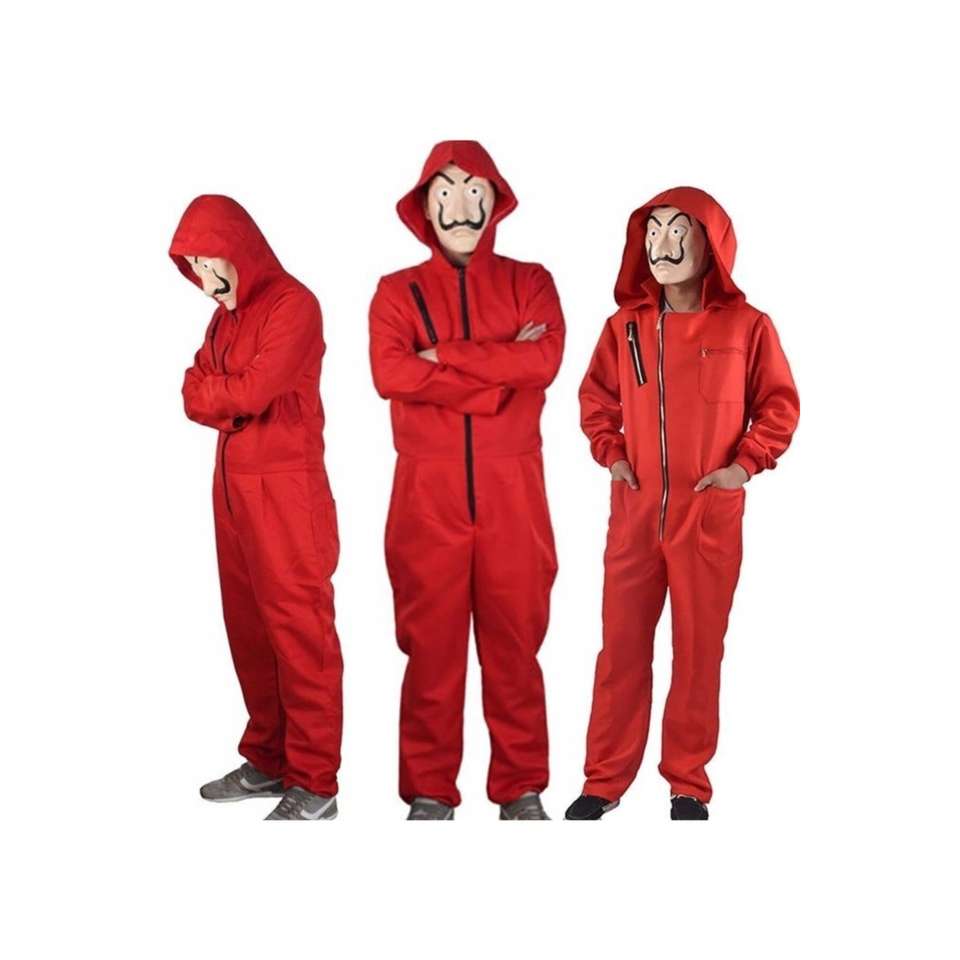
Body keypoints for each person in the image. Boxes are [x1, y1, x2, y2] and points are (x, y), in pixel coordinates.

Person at [566, 187, 799, 821]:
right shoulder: (624, 326)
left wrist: (741, 468)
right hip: (635, 513)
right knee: (620, 649)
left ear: (711, 244)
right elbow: (596, 399)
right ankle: (603, 781)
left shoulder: (748, 327)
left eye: (678, 231)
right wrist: (612, 453)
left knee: (698, 652)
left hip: (707, 516)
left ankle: (687, 784)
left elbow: (778, 405)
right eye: (653, 231)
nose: (661, 245)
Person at [369, 141, 565, 820]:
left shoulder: (531, 281)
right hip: (426, 496)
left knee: (516, 645)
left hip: (516, 496)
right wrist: (495, 374)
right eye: (445, 191)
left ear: (496, 201)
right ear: (424, 207)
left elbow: (543, 362)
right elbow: (390, 373)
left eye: (475, 189)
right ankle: (430, 792)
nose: (461, 205)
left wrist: (443, 358)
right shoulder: (395, 292)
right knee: (431, 648)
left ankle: (521, 787)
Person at [171, 195, 343, 821]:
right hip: (232, 490)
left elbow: (254, 391)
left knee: (301, 634)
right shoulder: (223, 321)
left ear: (240, 249)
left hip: (287, 492)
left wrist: (225, 398)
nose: (205, 278)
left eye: (211, 261)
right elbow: (191, 391)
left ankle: (316, 782)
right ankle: (270, 760)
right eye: (193, 266)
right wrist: (228, 398)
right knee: (248, 630)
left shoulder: (294, 305)